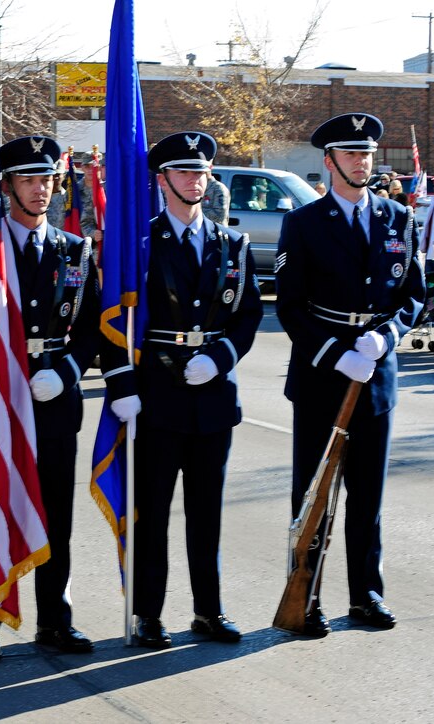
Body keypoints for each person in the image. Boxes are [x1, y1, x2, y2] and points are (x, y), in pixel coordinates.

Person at [0, 135, 100, 663]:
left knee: (56, 512)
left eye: (48, 179)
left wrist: (69, 370)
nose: (41, 190)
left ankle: (55, 619)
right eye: (29, 180)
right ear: (6, 186)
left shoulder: (74, 249)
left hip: (53, 395)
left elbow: (91, 328)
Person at [103, 132, 262, 649]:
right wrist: (122, 383)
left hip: (213, 393)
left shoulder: (230, 242)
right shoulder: (140, 244)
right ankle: (149, 613)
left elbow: (248, 314)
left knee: (206, 510)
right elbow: (114, 319)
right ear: (162, 179)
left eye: (201, 172)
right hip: (158, 392)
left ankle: (208, 610)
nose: (196, 181)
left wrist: (220, 357)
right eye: (185, 172)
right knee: (153, 510)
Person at [275, 113, 424, 636]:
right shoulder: (304, 224)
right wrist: (336, 353)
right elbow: (291, 308)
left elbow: (414, 295)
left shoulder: (397, 218)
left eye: (367, 154)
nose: (362, 162)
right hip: (323, 377)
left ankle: (366, 595)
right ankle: (306, 595)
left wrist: (386, 337)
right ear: (329, 161)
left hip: (377, 376)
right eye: (351, 154)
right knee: (313, 493)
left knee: (368, 496)